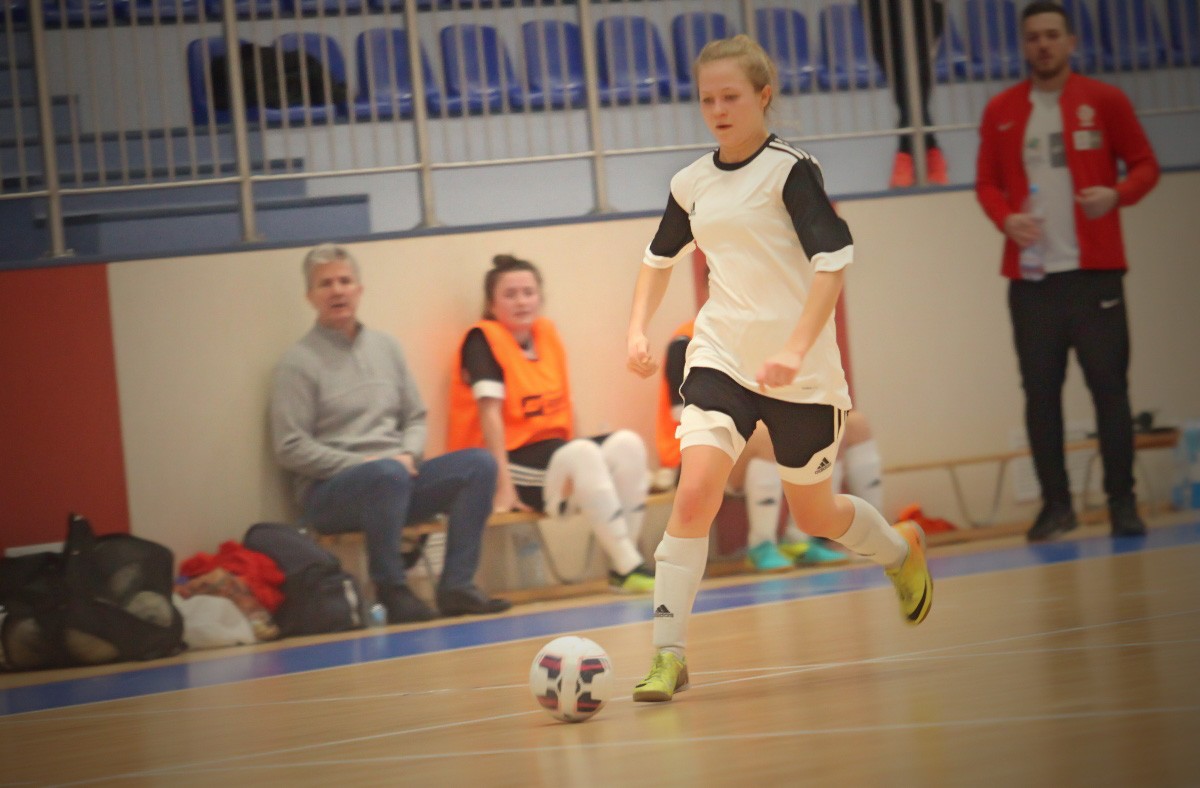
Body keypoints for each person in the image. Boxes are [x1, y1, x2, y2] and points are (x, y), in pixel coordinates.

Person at [626, 35, 933, 702]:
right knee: (695, 492)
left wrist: (795, 348)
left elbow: (834, 261)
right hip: (721, 357)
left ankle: (899, 550)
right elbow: (657, 258)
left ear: (763, 96)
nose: (718, 110)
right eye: (707, 99)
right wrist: (636, 329)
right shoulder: (691, 183)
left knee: (815, 514)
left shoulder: (791, 172)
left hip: (802, 375)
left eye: (731, 97)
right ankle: (667, 655)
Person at [975, 2, 1159, 542]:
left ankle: (1122, 503)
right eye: (1034, 36)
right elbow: (986, 183)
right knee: (1040, 395)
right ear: (1024, 45)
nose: (1044, 44)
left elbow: (1146, 165)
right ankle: (1057, 507)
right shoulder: (1002, 109)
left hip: (1095, 275)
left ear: (1071, 42)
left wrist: (1116, 195)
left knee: (1110, 391)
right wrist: (1006, 219)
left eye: (1053, 35)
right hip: (1032, 282)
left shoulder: (1104, 100)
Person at [269, 243, 512, 624]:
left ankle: (457, 586)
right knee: (385, 474)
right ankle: (392, 589)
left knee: (479, 465)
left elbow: (415, 416)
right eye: (325, 284)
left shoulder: (387, 348)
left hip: (397, 476)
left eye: (345, 281)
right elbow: (290, 446)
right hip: (332, 493)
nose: (337, 291)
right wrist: (365, 463)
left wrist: (408, 456)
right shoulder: (297, 363)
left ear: (359, 289)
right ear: (310, 296)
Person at [447, 254, 656, 594]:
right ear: (491, 304)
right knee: (583, 454)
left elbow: (565, 403)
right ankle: (629, 565)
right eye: (510, 294)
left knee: (627, 445)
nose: (521, 301)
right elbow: (489, 416)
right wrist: (503, 486)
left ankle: (623, 565)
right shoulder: (482, 340)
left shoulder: (546, 333)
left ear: (540, 297)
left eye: (528, 292)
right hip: (508, 461)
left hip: (556, 454)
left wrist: (587, 459)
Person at [658, 320, 872, 571]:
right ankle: (761, 544)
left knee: (843, 423)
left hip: (744, 439)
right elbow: (685, 414)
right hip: (691, 453)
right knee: (764, 435)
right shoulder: (687, 340)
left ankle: (827, 536)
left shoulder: (761, 335)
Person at [861, 0, 949, 188]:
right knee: (901, 85)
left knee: (915, 80)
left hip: (923, 8)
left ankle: (906, 155)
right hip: (879, 9)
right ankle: (932, 151)